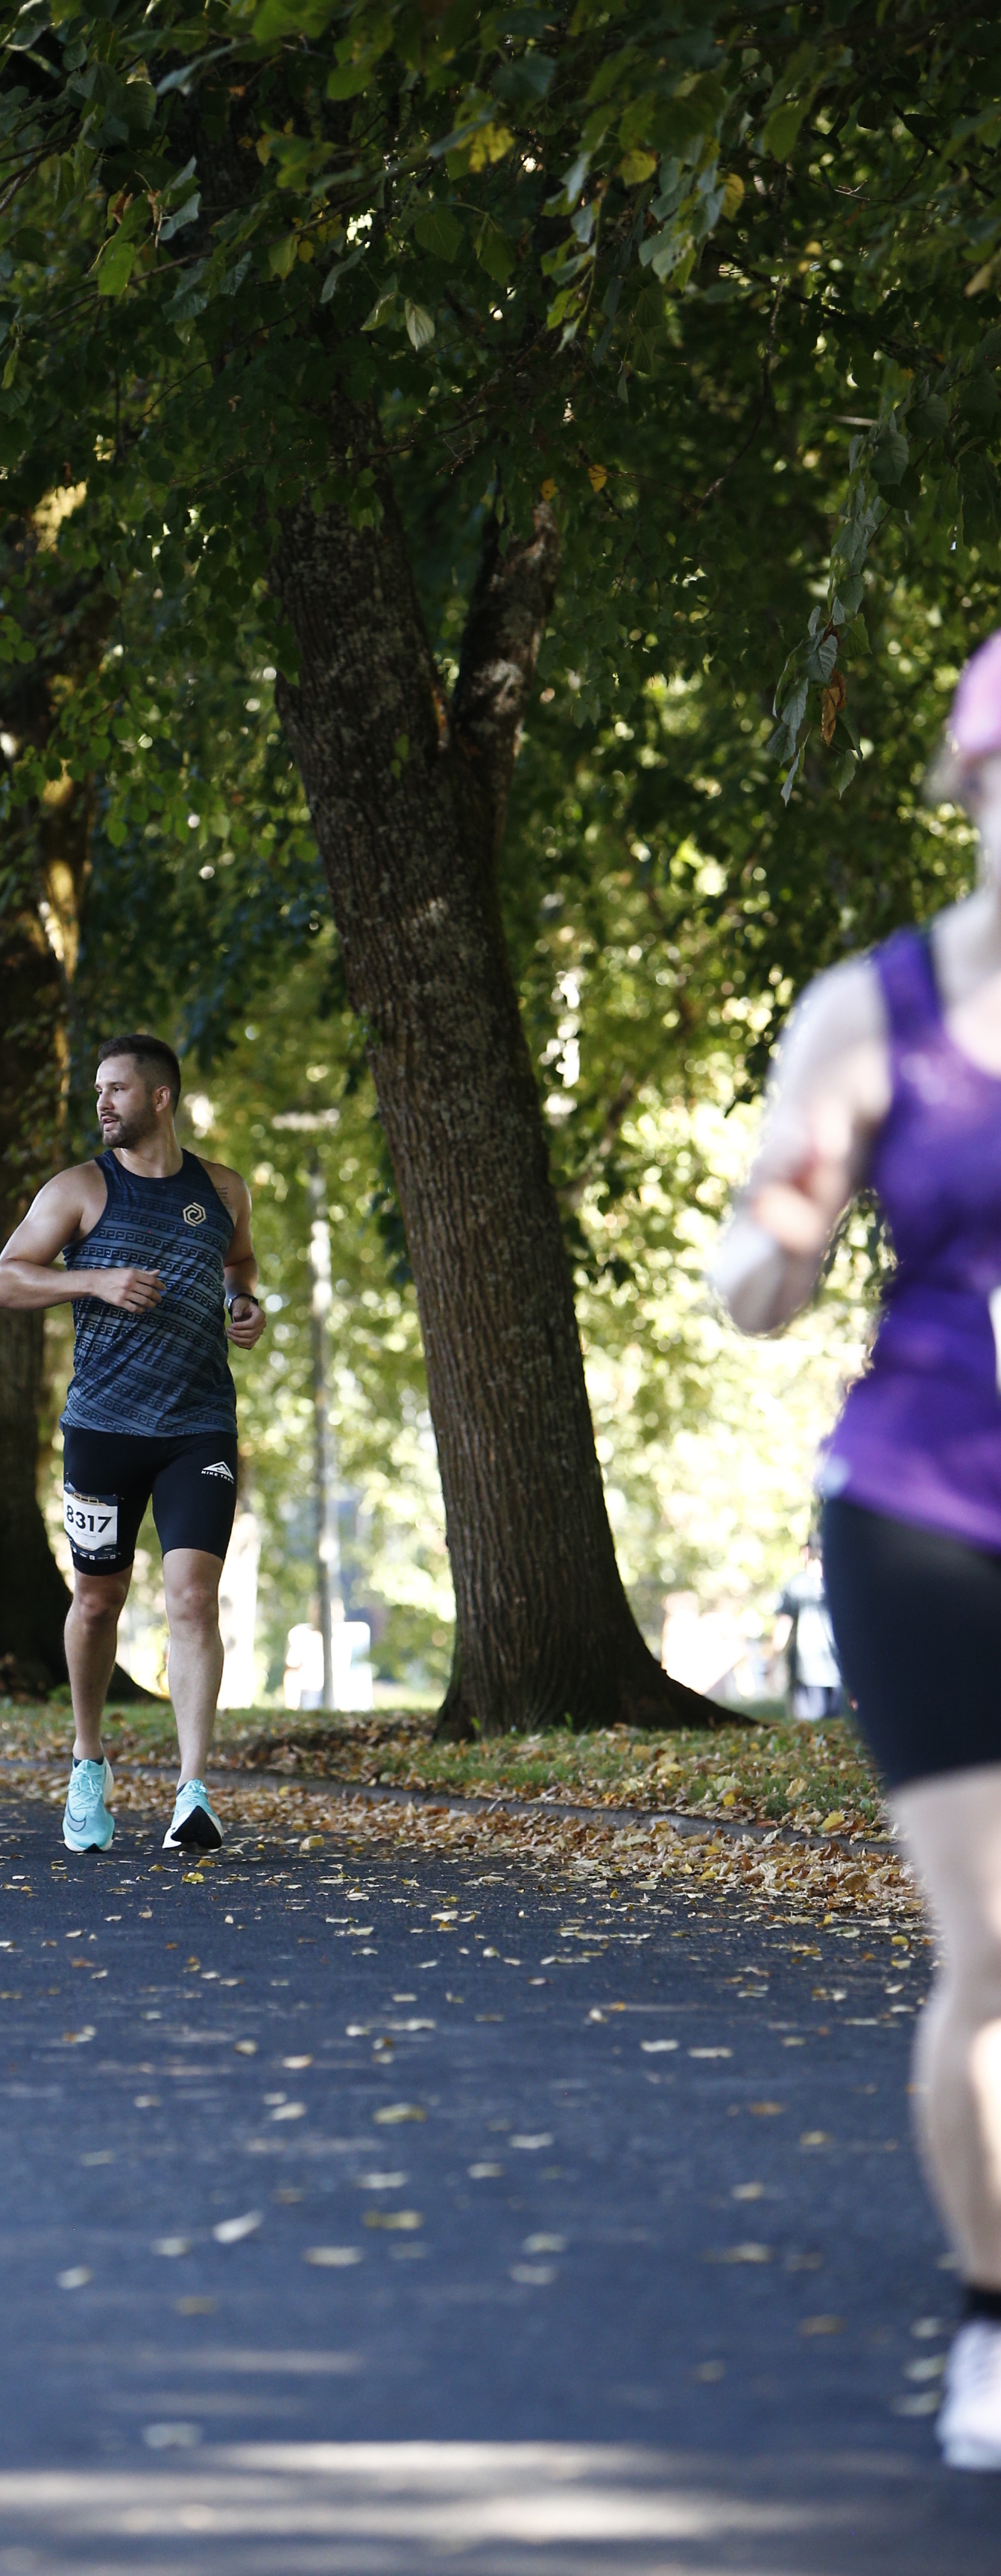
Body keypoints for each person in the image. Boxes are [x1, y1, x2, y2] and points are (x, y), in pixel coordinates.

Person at [709, 631, 1001, 2475]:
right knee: (1000, 1945)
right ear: (972, 785)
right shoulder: (874, 1008)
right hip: (931, 1511)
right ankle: (994, 2315)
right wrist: (777, 1241)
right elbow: (762, 1269)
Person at [0, 1033, 266, 1855]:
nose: (103, 1103)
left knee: (192, 1600)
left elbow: (240, 1262)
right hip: (103, 1430)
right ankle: (87, 1763)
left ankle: (193, 1791)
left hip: (198, 1426)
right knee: (98, 1601)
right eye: (98, 1091)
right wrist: (93, 1280)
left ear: (160, 1098)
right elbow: (5, 1280)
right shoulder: (79, 1189)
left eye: (116, 1089)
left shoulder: (222, 1188)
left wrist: (243, 1303)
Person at [773, 1541, 843, 1720]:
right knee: (838, 1726)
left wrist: (773, 1659)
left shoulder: (795, 1584)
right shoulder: (840, 1582)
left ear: (805, 1553)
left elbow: (783, 1625)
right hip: (837, 1668)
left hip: (807, 1670)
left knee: (808, 1726)